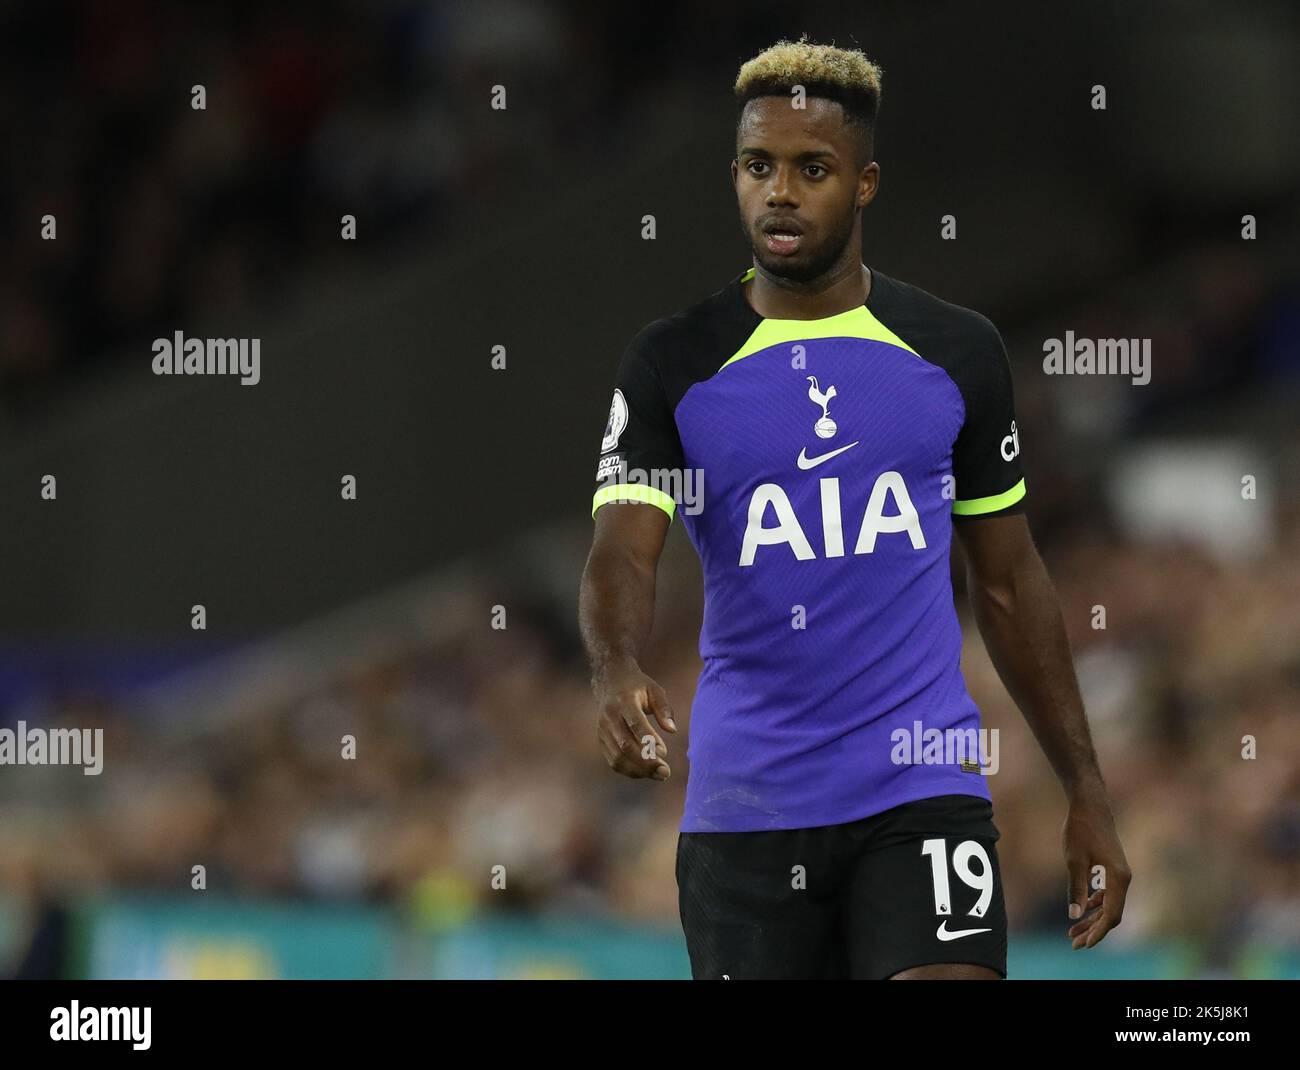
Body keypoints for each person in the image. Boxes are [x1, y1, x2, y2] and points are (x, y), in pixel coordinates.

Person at [578, 36, 1130, 979]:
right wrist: (616, 664)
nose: (780, 192)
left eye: (813, 169)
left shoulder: (956, 353)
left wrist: (1086, 788)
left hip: (921, 788)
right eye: (759, 166)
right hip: (748, 809)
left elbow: (1007, 582)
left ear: (865, 184)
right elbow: (624, 552)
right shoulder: (673, 363)